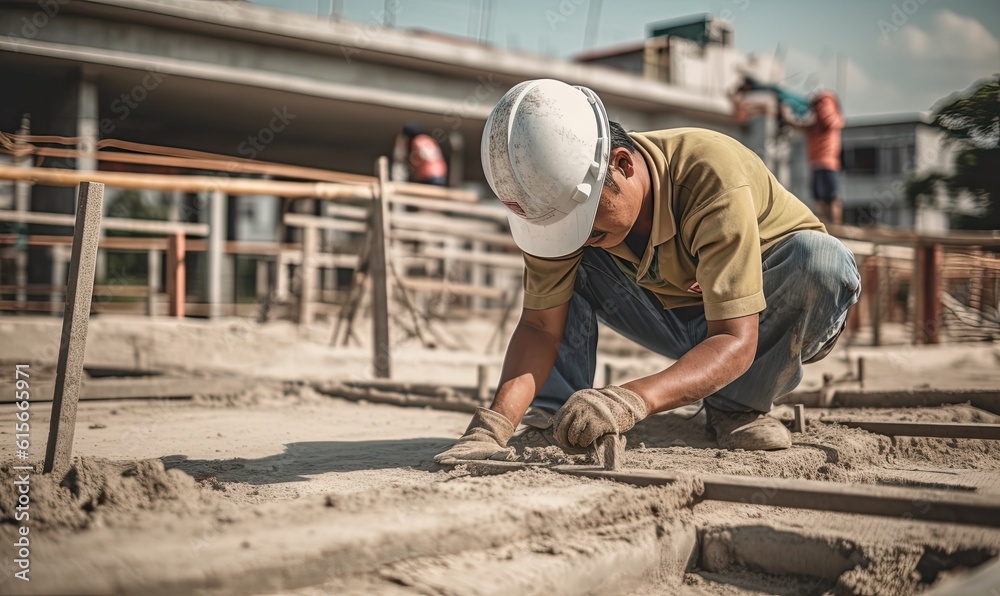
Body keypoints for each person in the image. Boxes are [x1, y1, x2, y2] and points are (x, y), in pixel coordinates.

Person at [435, 79, 859, 462]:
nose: (576, 239)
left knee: (820, 260)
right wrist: (496, 424)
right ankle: (554, 417)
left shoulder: (708, 174)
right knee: (574, 265)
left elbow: (734, 337)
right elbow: (541, 327)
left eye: (584, 225)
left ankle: (737, 405)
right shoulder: (557, 206)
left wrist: (631, 399)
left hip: (764, 318)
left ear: (622, 164)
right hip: (674, 316)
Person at [785, 91, 845, 225]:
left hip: (828, 163)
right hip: (818, 164)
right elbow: (800, 125)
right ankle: (829, 226)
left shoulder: (831, 120)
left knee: (831, 198)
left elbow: (829, 121)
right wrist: (788, 116)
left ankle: (836, 226)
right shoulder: (815, 124)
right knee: (821, 199)